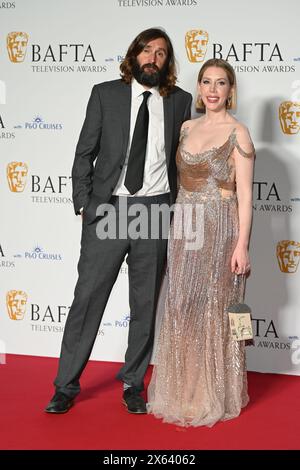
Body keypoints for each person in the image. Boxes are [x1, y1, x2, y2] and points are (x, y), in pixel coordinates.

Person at [45, 28, 192, 414]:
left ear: (167, 62)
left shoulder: (180, 101)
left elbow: (183, 159)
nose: (153, 58)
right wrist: (84, 205)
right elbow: (84, 153)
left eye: (161, 53)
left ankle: (133, 383)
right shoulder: (105, 94)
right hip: (110, 208)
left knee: (144, 303)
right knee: (88, 298)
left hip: (156, 209)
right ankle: (65, 385)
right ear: (134, 55)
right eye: (147, 50)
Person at [147, 58, 255, 427]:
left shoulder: (239, 132)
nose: (212, 90)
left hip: (220, 228)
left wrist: (242, 245)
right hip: (184, 227)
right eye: (206, 82)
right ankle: (183, 390)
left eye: (220, 83)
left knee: (215, 309)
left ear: (230, 90)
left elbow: (244, 197)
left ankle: (210, 394)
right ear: (199, 88)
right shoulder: (186, 127)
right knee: (181, 307)